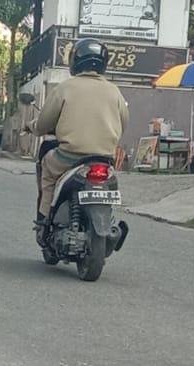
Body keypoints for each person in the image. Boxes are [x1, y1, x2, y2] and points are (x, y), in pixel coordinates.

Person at [31, 38, 129, 228]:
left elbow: (43, 125)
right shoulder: (114, 91)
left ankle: (44, 218)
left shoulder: (65, 88)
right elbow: (124, 123)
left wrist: (33, 127)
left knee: (48, 168)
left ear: (74, 61)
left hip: (69, 157)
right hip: (103, 159)